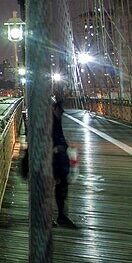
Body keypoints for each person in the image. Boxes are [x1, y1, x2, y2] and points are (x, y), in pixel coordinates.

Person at [51, 98, 76, 228]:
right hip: (52, 159)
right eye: (60, 110)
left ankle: (61, 215)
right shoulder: (50, 120)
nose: (62, 112)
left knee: (61, 187)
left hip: (59, 159)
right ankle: (56, 216)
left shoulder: (56, 120)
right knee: (52, 187)